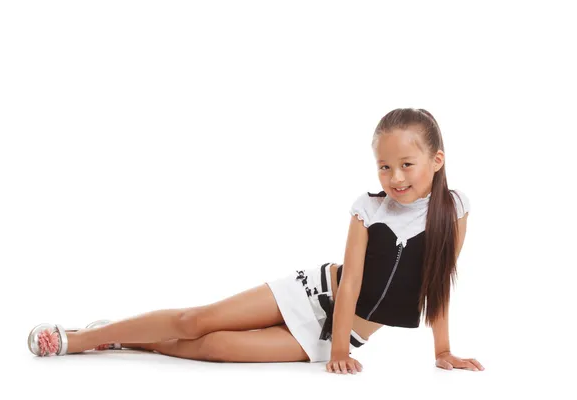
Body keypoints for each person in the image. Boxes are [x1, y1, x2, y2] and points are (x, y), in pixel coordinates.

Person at [27, 108, 484, 375]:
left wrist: (441, 351)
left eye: (406, 164)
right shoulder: (368, 209)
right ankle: (85, 337)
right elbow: (351, 284)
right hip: (316, 293)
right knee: (196, 320)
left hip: (340, 335)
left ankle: (129, 343)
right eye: (384, 167)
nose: (394, 177)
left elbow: (437, 283)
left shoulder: (452, 211)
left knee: (215, 348)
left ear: (436, 160)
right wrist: (340, 351)